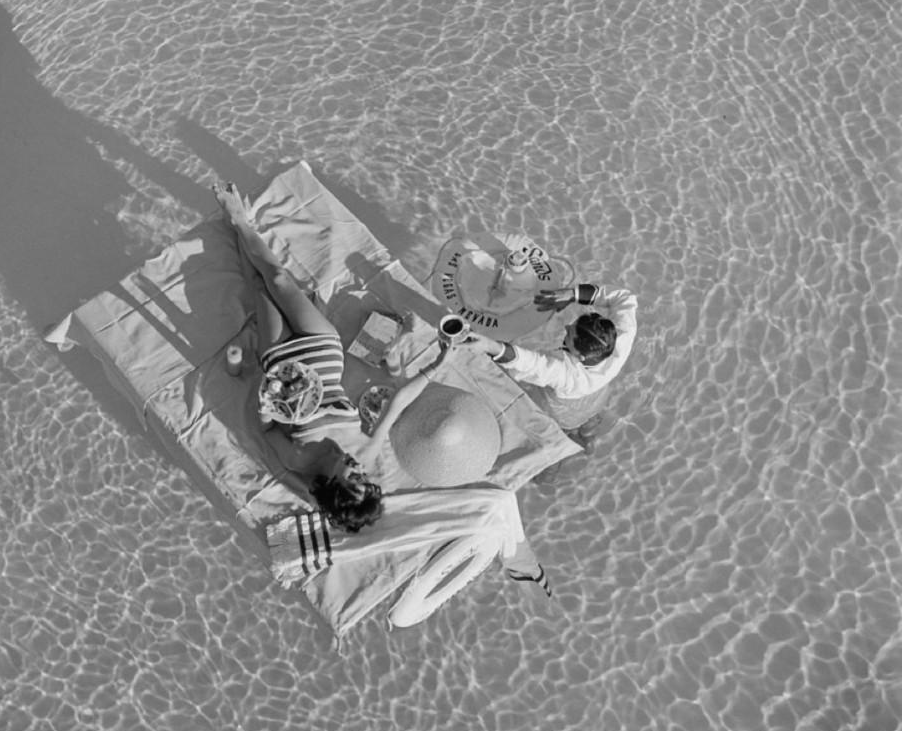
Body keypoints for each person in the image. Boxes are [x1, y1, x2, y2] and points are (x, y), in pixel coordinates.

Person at [213, 181, 448, 533]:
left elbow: (264, 427)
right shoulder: (367, 453)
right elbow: (397, 404)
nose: (359, 469)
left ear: (335, 487)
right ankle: (241, 221)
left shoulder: (298, 459)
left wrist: (265, 408)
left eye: (353, 478)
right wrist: (435, 367)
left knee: (259, 289)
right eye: (365, 479)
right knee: (277, 278)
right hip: (323, 348)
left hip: (282, 364)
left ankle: (239, 233)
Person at [460, 282, 637, 449]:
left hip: (567, 411)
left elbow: (531, 364)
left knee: (561, 436)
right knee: (590, 419)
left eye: (570, 334)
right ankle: (588, 440)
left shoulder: (567, 375)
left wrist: (490, 346)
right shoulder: (621, 337)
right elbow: (625, 299)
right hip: (597, 396)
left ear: (580, 356)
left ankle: (551, 470)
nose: (567, 328)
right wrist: (571, 294)